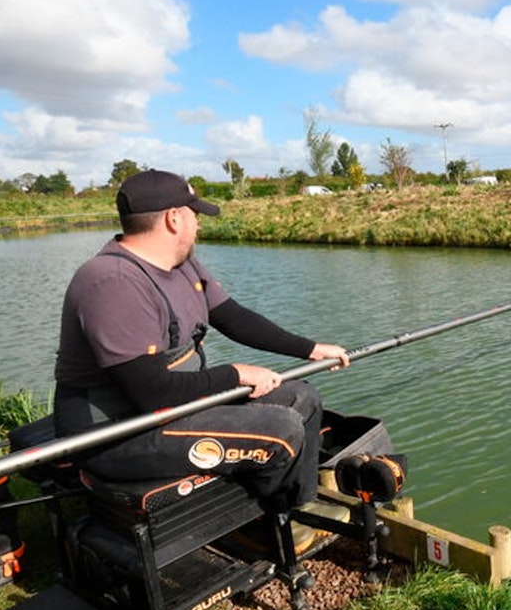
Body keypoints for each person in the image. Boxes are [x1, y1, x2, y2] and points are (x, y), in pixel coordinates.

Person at [53, 169, 349, 538]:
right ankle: (263, 525)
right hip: (116, 433)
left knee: (303, 398)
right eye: (194, 214)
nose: (199, 224)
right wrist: (237, 374)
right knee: (280, 429)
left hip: (174, 407)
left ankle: (296, 507)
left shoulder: (182, 264)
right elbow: (151, 393)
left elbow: (232, 317)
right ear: (173, 219)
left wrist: (309, 349)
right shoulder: (111, 281)